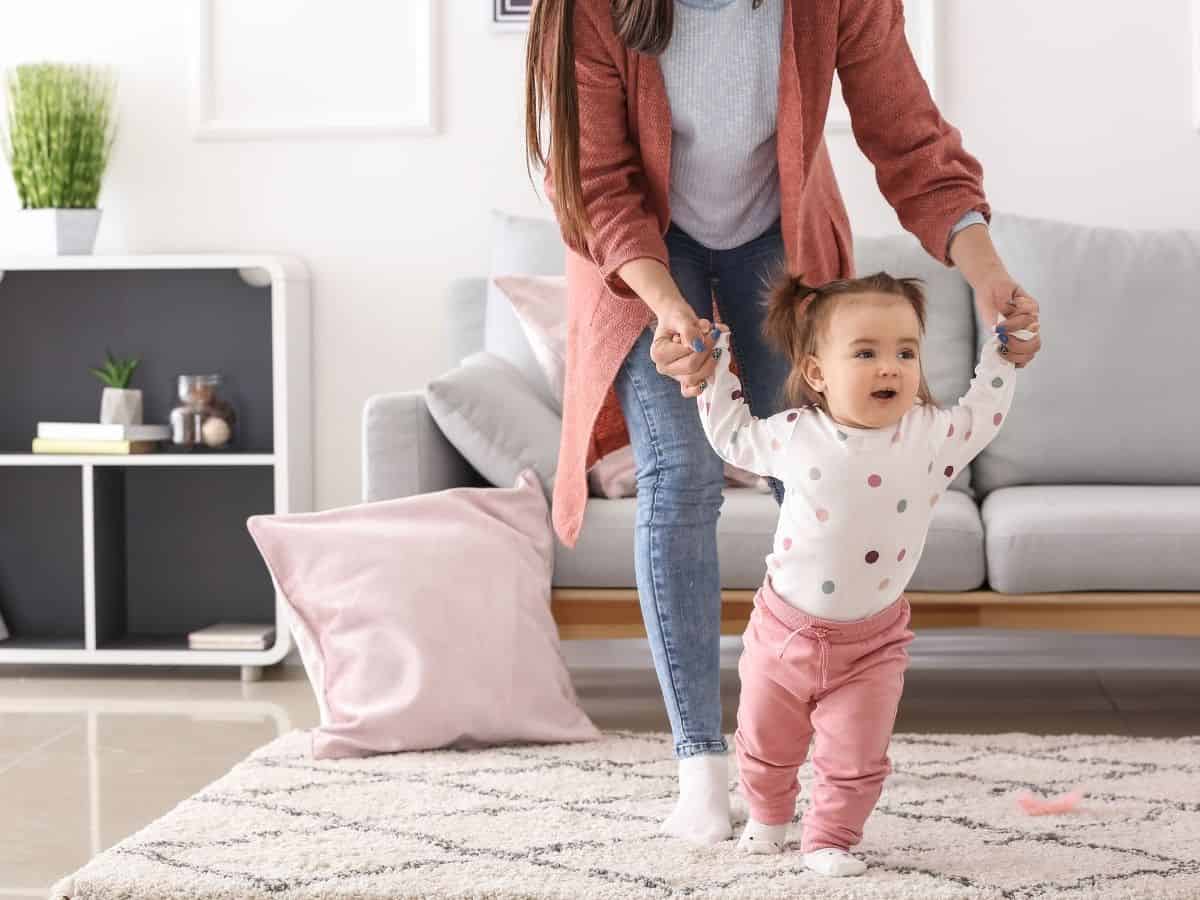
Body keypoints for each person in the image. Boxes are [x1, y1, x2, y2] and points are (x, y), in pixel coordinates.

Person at [523, 0, 1043, 844]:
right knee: (681, 475)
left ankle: (819, 715)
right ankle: (701, 765)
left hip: (779, 232)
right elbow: (597, 181)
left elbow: (910, 141)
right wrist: (666, 309)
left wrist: (988, 276)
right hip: (641, 251)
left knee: (817, 463)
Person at [695, 270, 1026, 874]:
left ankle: (830, 838)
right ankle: (768, 819)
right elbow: (730, 434)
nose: (891, 368)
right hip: (783, 634)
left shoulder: (931, 434)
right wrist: (714, 369)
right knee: (766, 745)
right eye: (866, 353)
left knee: (857, 754)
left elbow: (984, 412)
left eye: (906, 352)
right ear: (818, 373)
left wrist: (1001, 355)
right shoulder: (795, 435)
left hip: (871, 643)